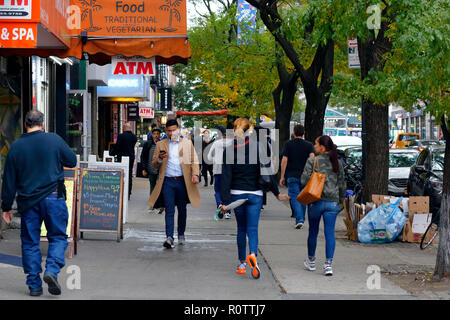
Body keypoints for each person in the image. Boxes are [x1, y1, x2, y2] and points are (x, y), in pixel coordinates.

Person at [1, 110, 77, 297]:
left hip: (28, 202)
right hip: (54, 197)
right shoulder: (54, 140)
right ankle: (51, 270)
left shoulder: (16, 148)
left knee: (29, 243)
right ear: (42, 123)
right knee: (58, 237)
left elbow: (9, 180)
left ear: (26, 124)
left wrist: (6, 207)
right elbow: (72, 161)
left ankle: (34, 285)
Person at [220, 118, 289, 279]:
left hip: (237, 194)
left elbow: (226, 177)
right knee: (252, 229)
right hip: (255, 195)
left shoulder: (228, 150)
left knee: (241, 229)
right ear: (248, 131)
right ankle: (253, 255)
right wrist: (276, 193)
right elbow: (267, 172)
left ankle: (242, 263)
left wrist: (224, 202)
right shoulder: (258, 147)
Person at [147, 119, 201, 249]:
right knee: (169, 210)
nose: (171, 133)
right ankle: (169, 237)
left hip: (183, 181)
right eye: (169, 131)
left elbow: (194, 160)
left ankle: (181, 234)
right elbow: (154, 163)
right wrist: (159, 158)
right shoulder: (161, 144)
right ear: (166, 131)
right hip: (167, 182)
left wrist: (195, 174)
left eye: (174, 130)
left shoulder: (187, 144)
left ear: (178, 129)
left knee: (182, 209)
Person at [301, 135, 346, 276]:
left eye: (316, 144)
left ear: (322, 146)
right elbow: (342, 184)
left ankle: (311, 261)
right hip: (332, 202)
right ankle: (328, 265)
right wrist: (340, 200)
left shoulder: (312, 161)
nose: (314, 146)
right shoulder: (337, 162)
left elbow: (303, 180)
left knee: (313, 231)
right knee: (329, 233)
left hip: (316, 201)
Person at [280, 124, 314, 229]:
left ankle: (299, 219)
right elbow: (312, 159)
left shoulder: (288, 144)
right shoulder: (309, 145)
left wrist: (282, 176)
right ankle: (301, 219)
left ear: (294, 133)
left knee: (294, 198)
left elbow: (284, 161)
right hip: (305, 176)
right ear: (304, 133)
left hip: (292, 175)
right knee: (303, 198)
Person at [207, 125, 233, 219]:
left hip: (218, 170)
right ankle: (228, 212)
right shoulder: (233, 143)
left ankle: (219, 204)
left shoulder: (216, 143)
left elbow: (209, 157)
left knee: (217, 190)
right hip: (229, 171)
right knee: (228, 191)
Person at [110, 122, 138, 200]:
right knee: (129, 175)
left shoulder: (121, 136)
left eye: (123, 128)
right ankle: (128, 192)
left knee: (121, 174)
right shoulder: (134, 137)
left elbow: (117, 147)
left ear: (124, 128)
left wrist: (112, 153)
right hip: (130, 158)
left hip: (121, 158)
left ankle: (121, 190)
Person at [140, 128, 164, 214]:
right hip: (150, 169)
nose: (156, 135)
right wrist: (143, 168)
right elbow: (143, 157)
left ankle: (160, 205)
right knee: (152, 187)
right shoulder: (148, 144)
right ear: (152, 135)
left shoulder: (162, 145)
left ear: (160, 135)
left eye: (158, 134)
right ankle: (152, 204)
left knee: (159, 187)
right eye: (154, 134)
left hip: (160, 170)